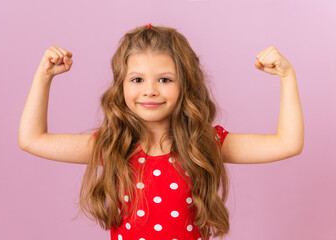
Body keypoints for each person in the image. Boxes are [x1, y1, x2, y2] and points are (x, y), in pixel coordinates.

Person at [18, 23, 304, 240]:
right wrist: (43, 78)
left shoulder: (205, 143)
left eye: (165, 79)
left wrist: (287, 77)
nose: (150, 90)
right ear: (121, 86)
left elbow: (287, 144)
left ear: (186, 84)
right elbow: (32, 140)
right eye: (137, 79)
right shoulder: (111, 145)